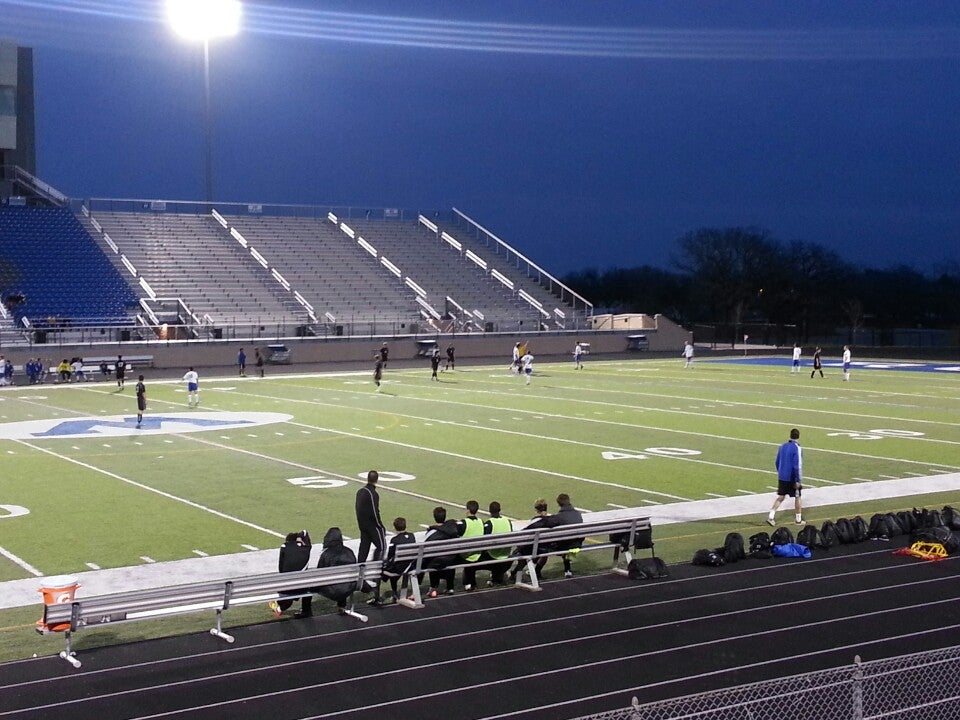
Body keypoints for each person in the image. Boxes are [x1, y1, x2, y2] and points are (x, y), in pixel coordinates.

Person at [355, 470, 386, 605]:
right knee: (382, 548)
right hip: (372, 527)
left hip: (363, 526)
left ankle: (359, 577)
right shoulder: (372, 494)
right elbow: (375, 511)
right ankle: (377, 575)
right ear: (377, 480)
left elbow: (358, 509)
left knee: (363, 551)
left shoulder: (360, 491)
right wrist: (381, 526)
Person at [269, 530, 313, 618]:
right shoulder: (306, 548)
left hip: (288, 586)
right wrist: (300, 537)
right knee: (310, 585)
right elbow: (305, 531)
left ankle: (279, 607)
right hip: (302, 586)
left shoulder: (285, 547)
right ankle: (306, 611)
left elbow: (281, 568)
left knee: (287, 592)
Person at [315, 527, 358, 615]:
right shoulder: (349, 551)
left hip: (333, 590)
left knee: (311, 583)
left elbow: (319, 573)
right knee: (343, 580)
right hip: (349, 587)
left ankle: (306, 610)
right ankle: (342, 605)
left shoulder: (326, 554)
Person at [541, 493, 584, 578]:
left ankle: (536, 570)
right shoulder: (578, 514)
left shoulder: (559, 517)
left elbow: (546, 523)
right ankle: (567, 570)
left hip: (565, 546)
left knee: (543, 544)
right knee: (569, 540)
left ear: (559, 503)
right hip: (577, 545)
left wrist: (544, 515)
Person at [768, 428, 804, 526]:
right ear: (798, 436)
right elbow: (797, 465)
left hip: (782, 476)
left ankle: (771, 516)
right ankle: (798, 519)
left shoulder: (782, 446)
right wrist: (798, 480)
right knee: (798, 497)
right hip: (792, 477)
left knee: (781, 497)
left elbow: (777, 461)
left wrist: (781, 472)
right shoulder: (797, 448)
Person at [424, 506, 460, 597]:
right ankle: (450, 587)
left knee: (432, 559)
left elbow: (425, 547)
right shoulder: (452, 529)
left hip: (438, 560)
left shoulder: (432, 532)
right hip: (452, 558)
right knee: (448, 558)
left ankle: (433, 588)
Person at [381, 517, 416, 603]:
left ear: (395, 527)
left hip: (399, 567)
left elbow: (390, 555)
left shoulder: (395, 540)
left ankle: (394, 593)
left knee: (388, 568)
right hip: (411, 565)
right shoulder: (412, 536)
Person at [481, 501, 514, 586]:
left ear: (490, 511)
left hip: (494, 557)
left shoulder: (489, 523)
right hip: (506, 555)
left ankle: (470, 584)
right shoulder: (507, 521)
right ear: (500, 510)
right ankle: (498, 575)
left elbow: (482, 541)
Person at [459, 500, 486, 591]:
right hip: (478, 553)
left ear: (467, 510)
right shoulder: (481, 522)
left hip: (466, 555)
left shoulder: (464, 523)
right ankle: (471, 582)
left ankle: (451, 586)